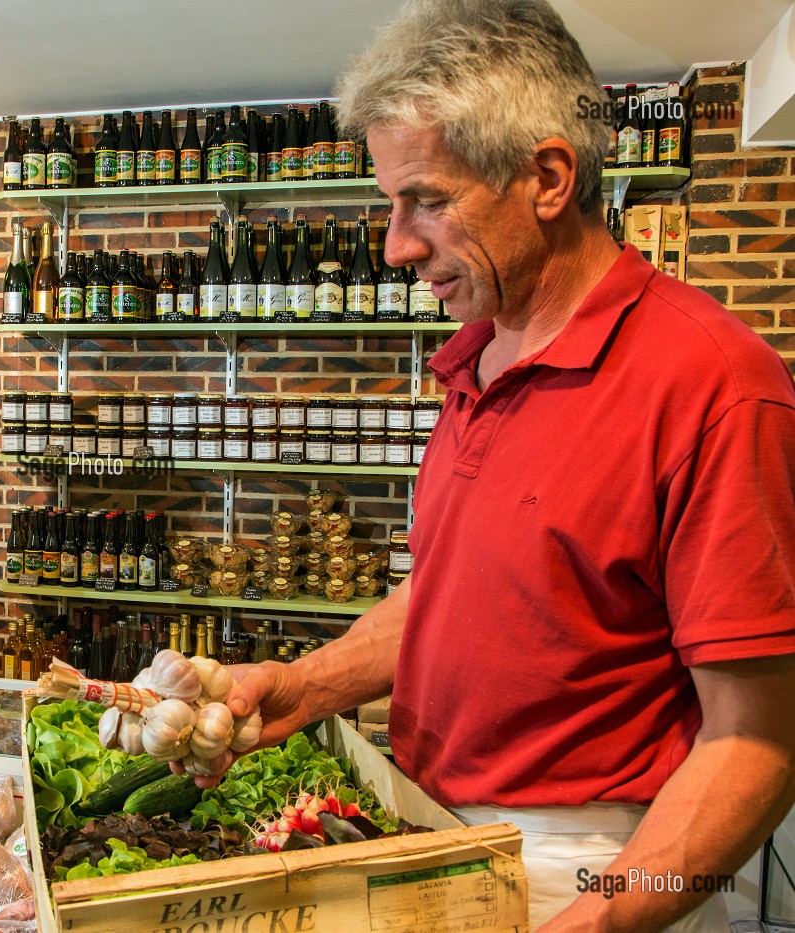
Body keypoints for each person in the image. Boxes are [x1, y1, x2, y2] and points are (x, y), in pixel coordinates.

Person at [216, 3, 795, 931]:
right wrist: (302, 686)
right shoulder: (473, 360)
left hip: (593, 866)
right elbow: (458, 595)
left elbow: (758, 742)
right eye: (390, 205)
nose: (397, 245)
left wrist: (601, 916)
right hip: (431, 830)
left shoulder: (712, 381)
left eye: (429, 200)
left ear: (549, 177)